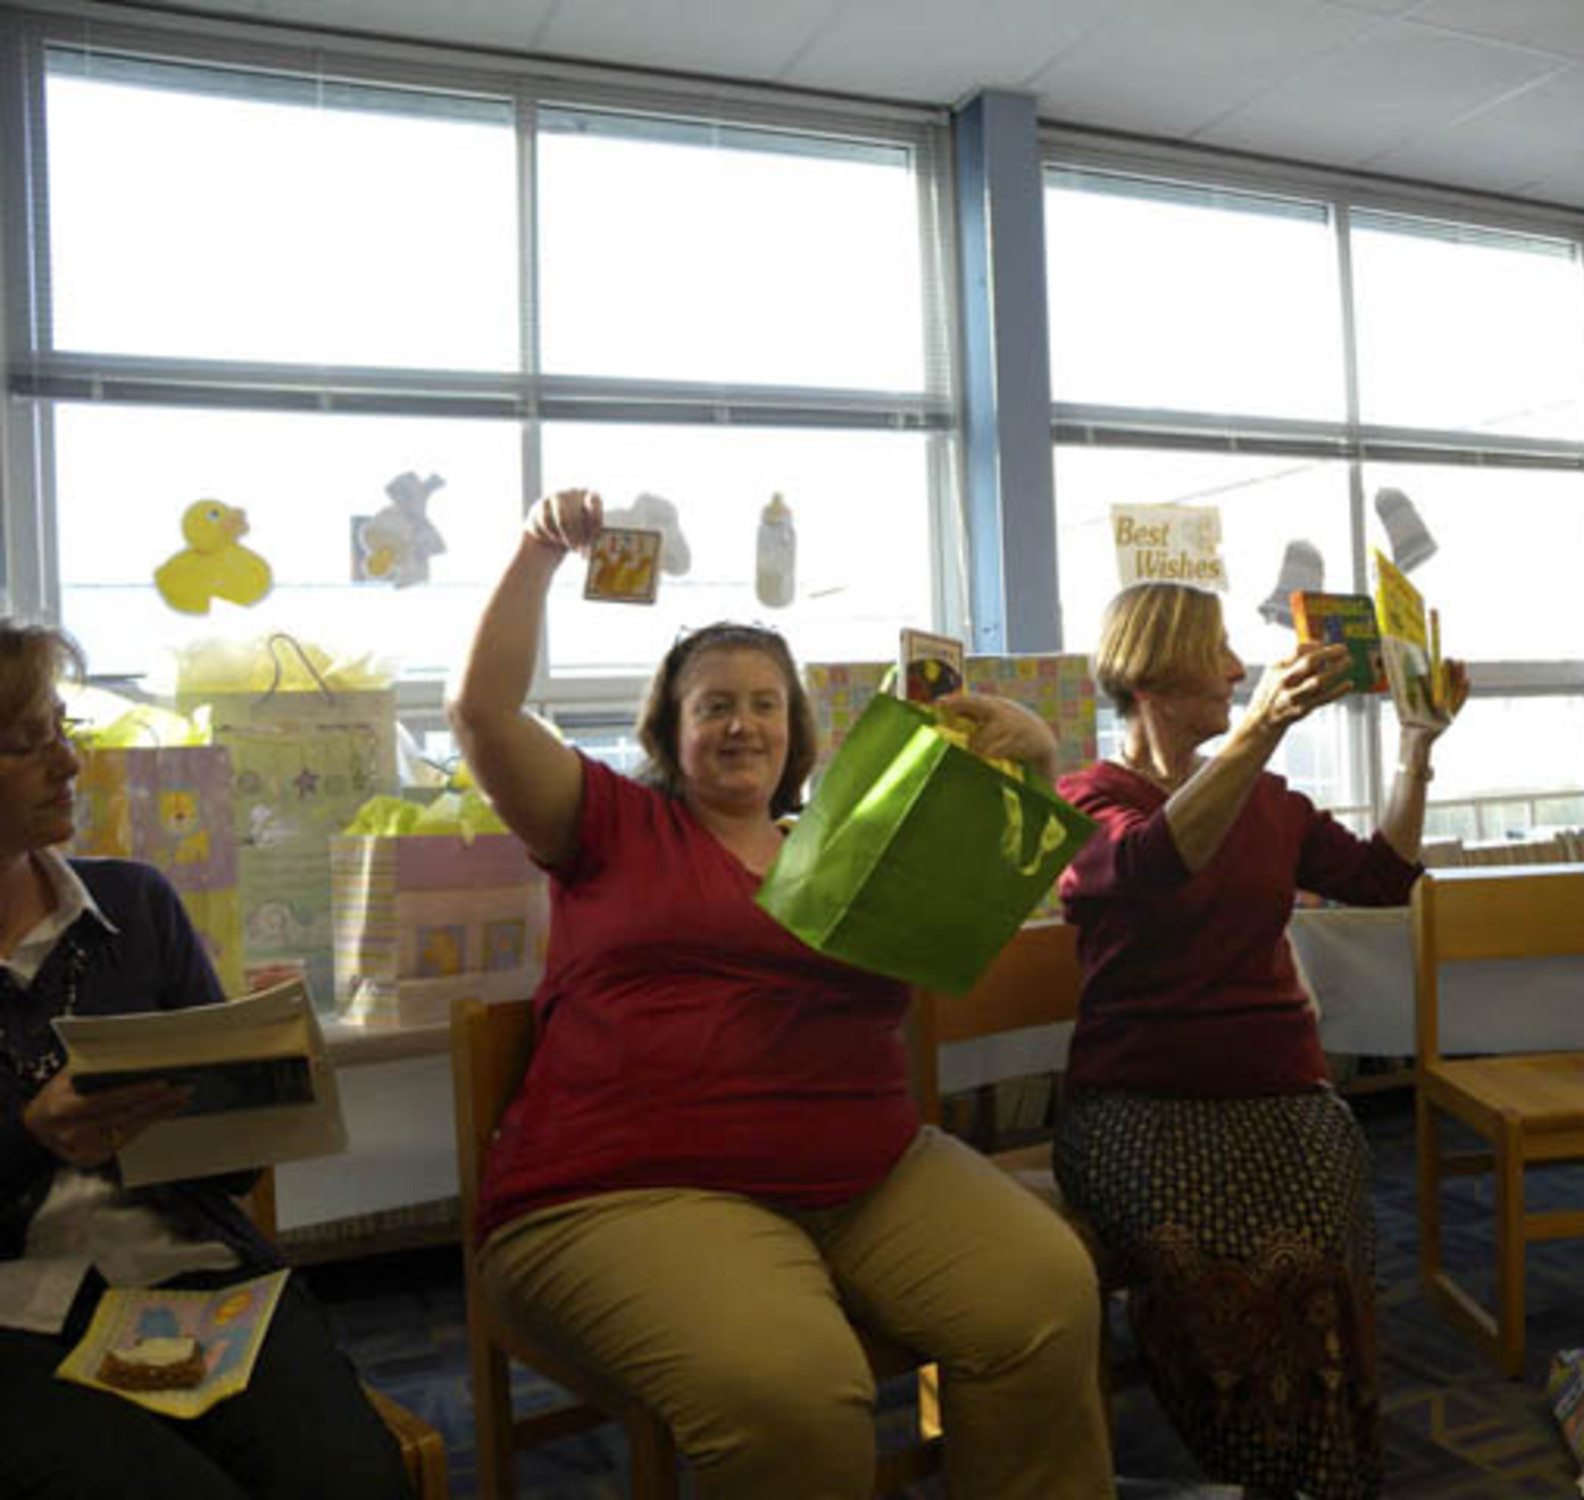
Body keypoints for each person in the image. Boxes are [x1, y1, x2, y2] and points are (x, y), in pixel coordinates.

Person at [447, 487, 1115, 1500]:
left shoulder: (848, 844)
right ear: (671, 731)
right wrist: (540, 547)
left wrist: (1035, 753)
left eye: (764, 704)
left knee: (1046, 1291)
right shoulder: (612, 825)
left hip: (866, 1169)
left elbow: (980, 896)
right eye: (713, 704)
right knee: (794, 1392)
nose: (742, 725)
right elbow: (482, 714)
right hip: (631, 1188)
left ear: (795, 730)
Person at [1053, 580, 1465, 1500]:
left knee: (1321, 1266)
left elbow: (1379, 879)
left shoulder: (1268, 799)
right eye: (1219, 653)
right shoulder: (1086, 800)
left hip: (1278, 1093)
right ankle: (1260, 1475)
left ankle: (1320, 1481)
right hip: (1139, 1105)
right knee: (1218, 1271)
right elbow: (1155, 860)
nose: (1241, 670)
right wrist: (1264, 728)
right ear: (1153, 673)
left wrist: (1416, 747)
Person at [0, 620, 409, 1500]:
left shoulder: (135, 904)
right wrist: (30, 1134)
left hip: (194, 1277)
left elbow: (232, 1174)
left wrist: (258, 1094)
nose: (67, 765)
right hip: (15, 1317)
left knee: (352, 1482)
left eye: (61, 730)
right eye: (24, 745)